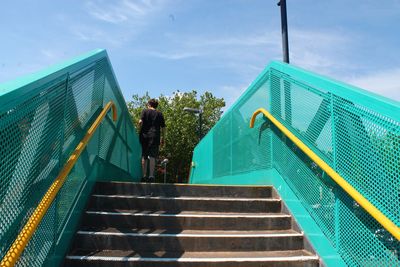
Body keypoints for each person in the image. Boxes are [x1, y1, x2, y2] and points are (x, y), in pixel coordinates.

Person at [139, 99, 166, 182]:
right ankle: (151, 176)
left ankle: (144, 176)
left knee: (144, 156)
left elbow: (140, 122)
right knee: (152, 156)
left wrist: (140, 129)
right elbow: (163, 128)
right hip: (155, 136)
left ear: (149, 104)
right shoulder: (159, 114)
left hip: (144, 136)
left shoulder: (144, 111)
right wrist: (163, 138)